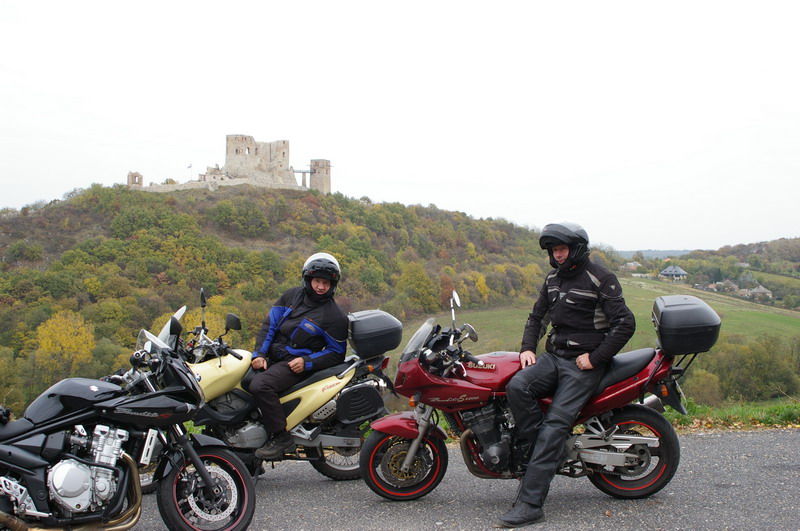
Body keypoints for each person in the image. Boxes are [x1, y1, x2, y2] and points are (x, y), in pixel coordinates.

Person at [498, 222, 635, 528]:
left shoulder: (601, 278)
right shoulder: (553, 279)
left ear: (577, 249)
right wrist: (527, 347)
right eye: (554, 250)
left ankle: (531, 505)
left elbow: (625, 324)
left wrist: (595, 358)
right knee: (517, 386)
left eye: (562, 249)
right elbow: (537, 317)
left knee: (554, 425)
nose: (558, 255)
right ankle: (553, 451)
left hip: (582, 366)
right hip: (554, 358)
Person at [249, 252, 349, 460]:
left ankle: (281, 436)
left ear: (333, 285)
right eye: (317, 281)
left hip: (293, 365)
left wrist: (307, 362)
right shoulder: (291, 296)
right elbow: (270, 326)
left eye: (326, 283)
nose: (320, 287)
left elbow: (337, 353)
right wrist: (259, 354)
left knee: (260, 386)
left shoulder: (335, 316)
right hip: (273, 356)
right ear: (308, 279)